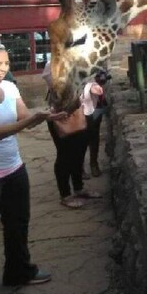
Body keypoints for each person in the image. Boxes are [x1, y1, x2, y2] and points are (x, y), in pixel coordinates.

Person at [0, 40, 62, 294]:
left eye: (6, 64)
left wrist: (48, 116)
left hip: (13, 168)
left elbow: (25, 116)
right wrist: (30, 122)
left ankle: (18, 271)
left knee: (18, 223)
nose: (4, 70)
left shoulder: (11, 88)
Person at [42, 62, 101, 209]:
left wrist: (92, 87)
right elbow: (58, 91)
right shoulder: (54, 63)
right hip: (62, 115)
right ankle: (65, 195)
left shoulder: (83, 62)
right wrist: (84, 87)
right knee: (65, 155)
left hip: (83, 112)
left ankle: (79, 188)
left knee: (80, 153)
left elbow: (89, 81)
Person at [82, 70, 110, 178]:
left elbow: (101, 83)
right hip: (79, 105)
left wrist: (100, 80)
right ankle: (80, 168)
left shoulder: (96, 64)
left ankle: (94, 164)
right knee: (81, 138)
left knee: (94, 135)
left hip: (95, 106)